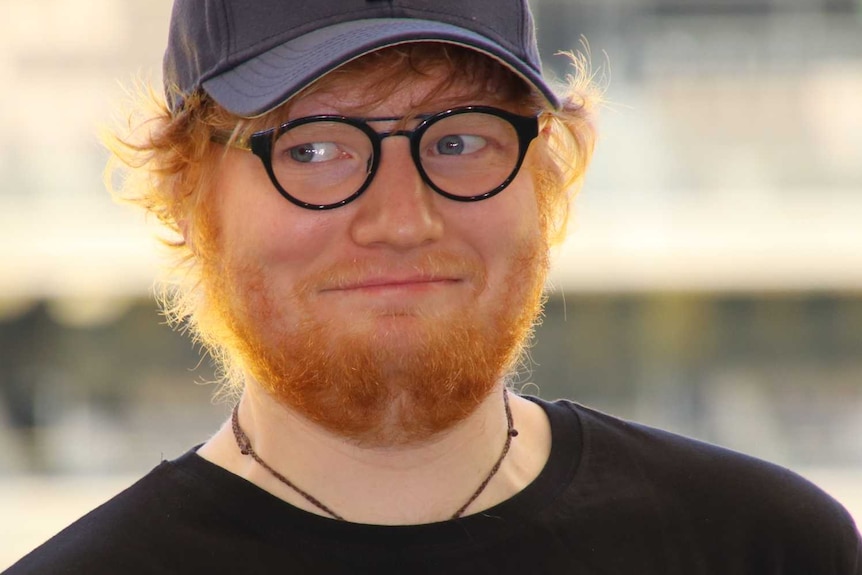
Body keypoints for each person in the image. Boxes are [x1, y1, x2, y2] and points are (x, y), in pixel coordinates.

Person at [6, 0, 861, 573]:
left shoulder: (769, 550)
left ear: (546, 178)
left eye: (459, 140)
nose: (402, 218)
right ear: (190, 194)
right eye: (313, 148)